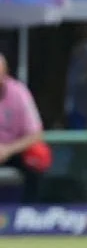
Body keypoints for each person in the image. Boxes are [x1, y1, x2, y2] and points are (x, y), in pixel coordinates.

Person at [0, 53, 50, 202]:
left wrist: (7, 150)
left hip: (14, 150)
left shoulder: (19, 93)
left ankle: (29, 210)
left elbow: (36, 134)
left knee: (39, 153)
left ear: (5, 74)